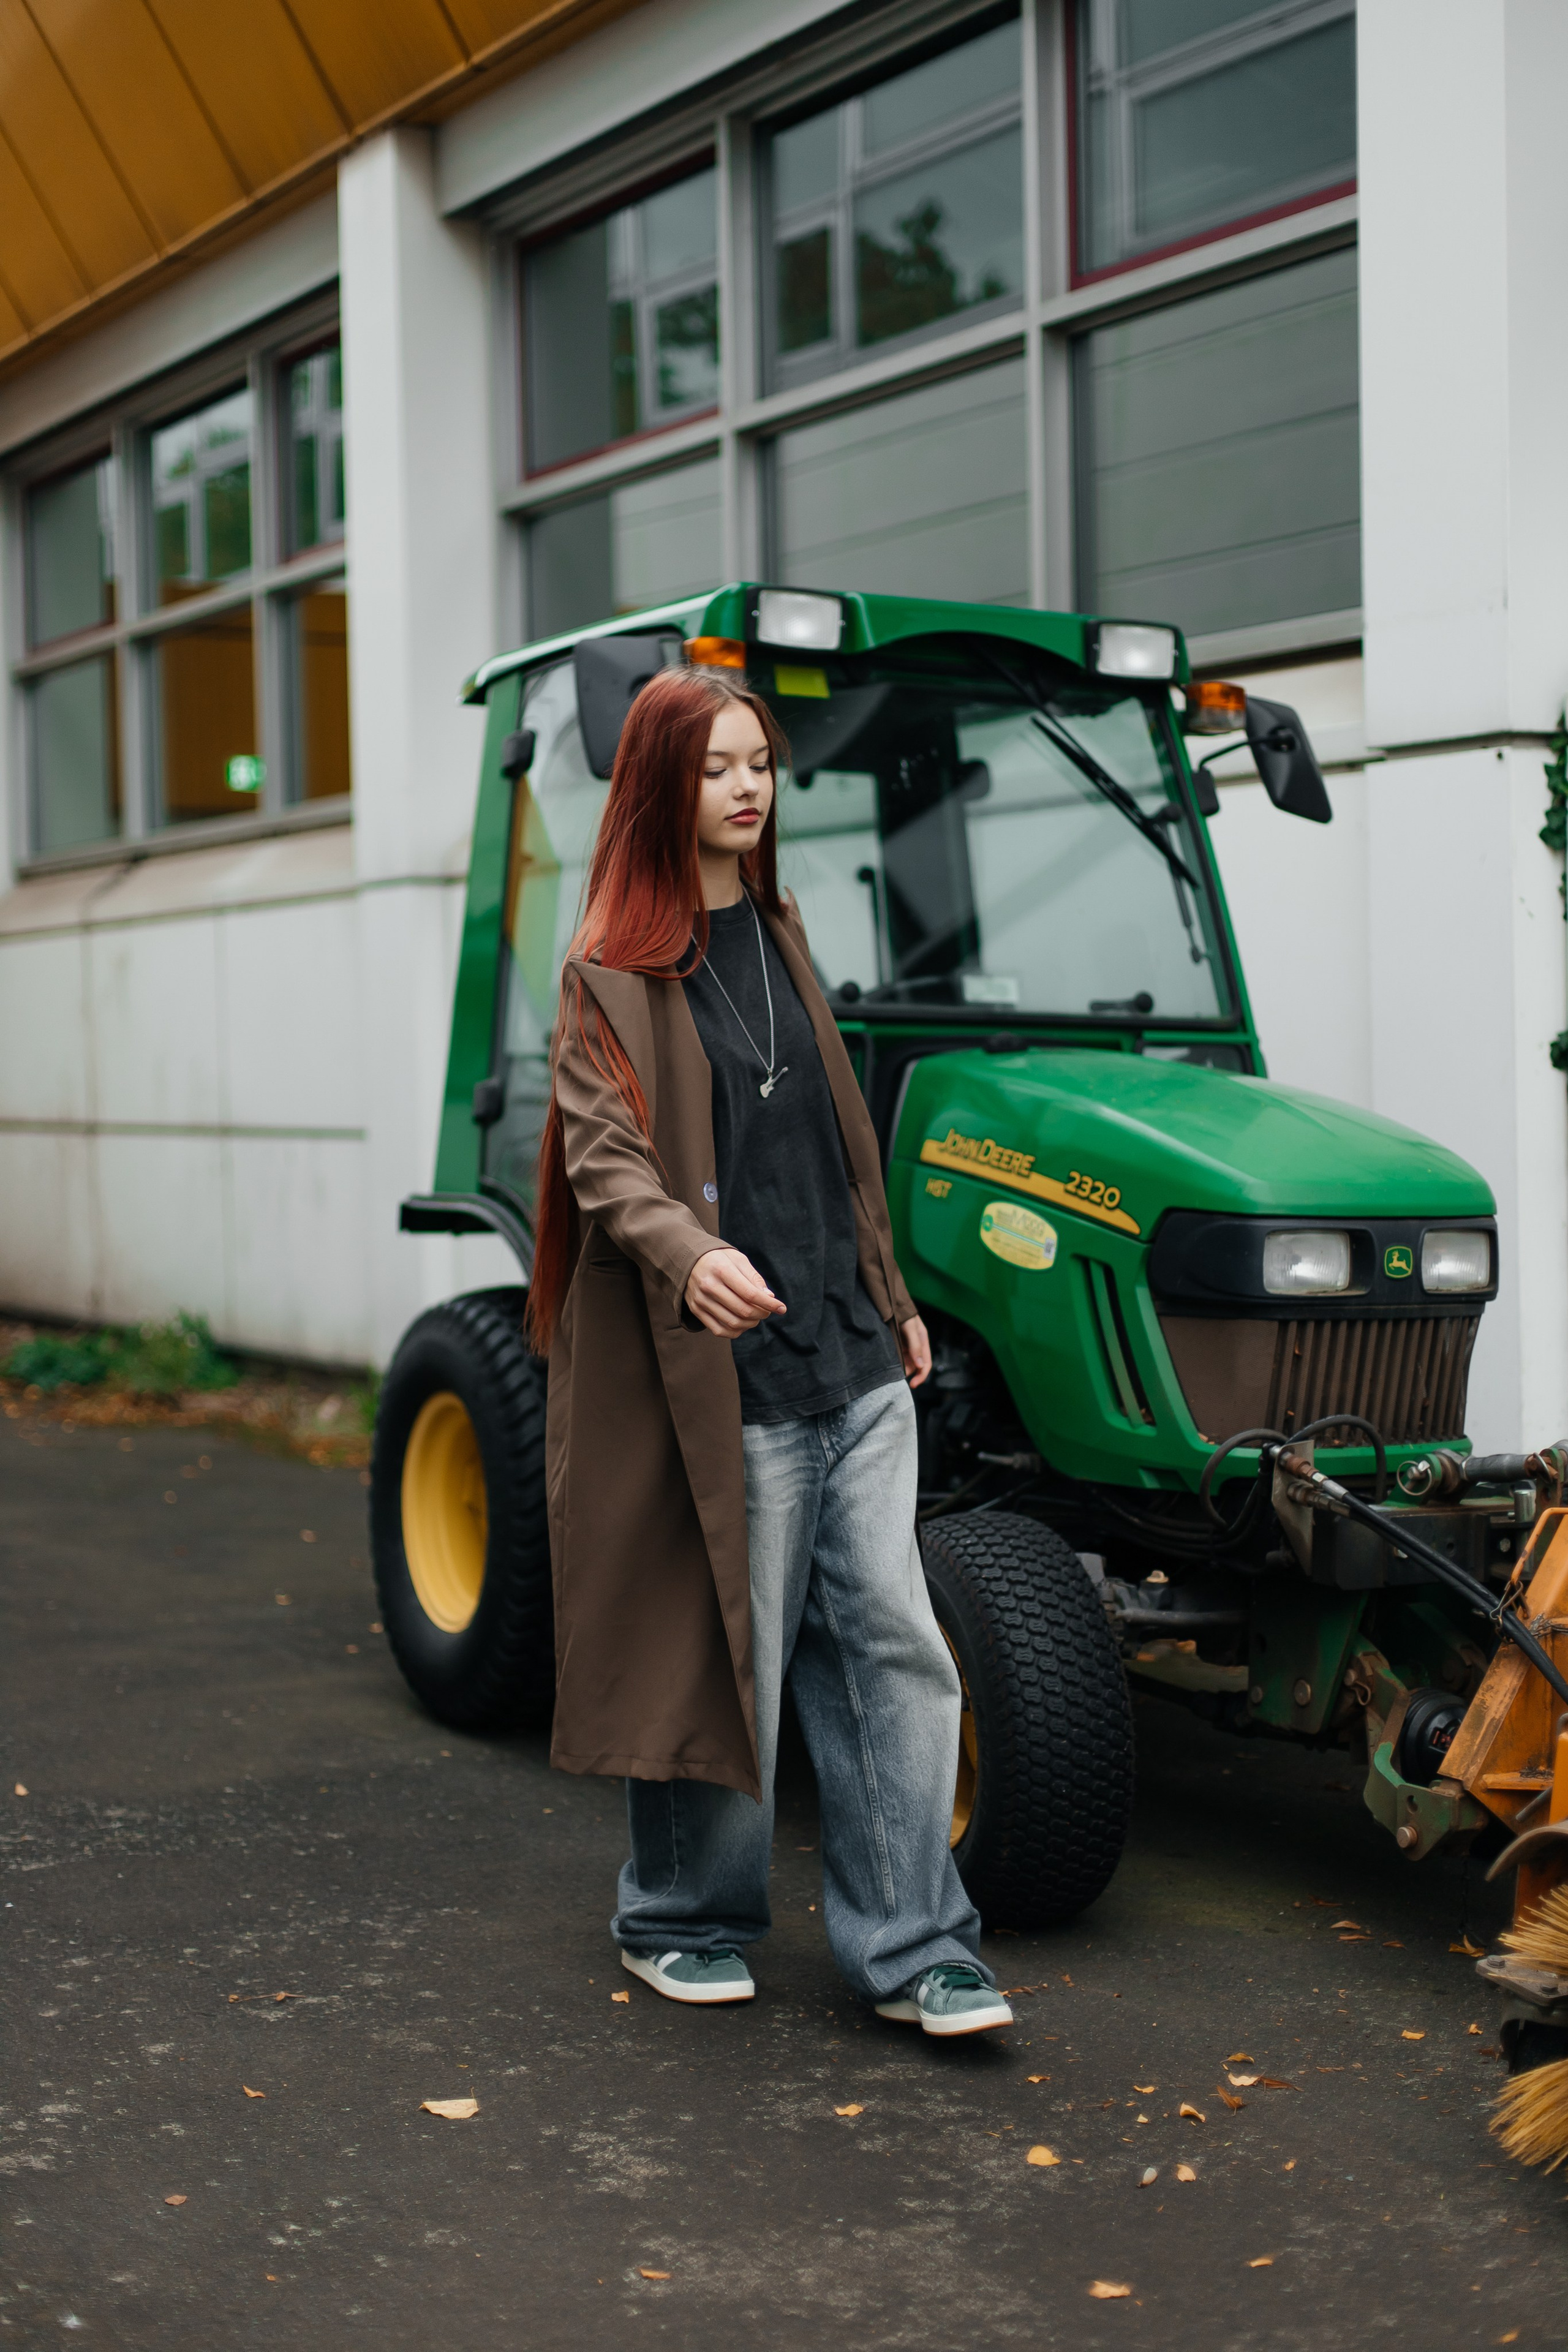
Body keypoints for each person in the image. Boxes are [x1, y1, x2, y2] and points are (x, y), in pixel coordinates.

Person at [526, 662, 1011, 2039]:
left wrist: (891, 1292)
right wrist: (693, 1253)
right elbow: (607, 1170)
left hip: (849, 1364)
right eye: (716, 766)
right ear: (659, 787)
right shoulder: (607, 975)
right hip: (720, 1378)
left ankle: (917, 1947)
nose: (746, 787)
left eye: (760, 764)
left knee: (893, 1651)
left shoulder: (784, 926)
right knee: (723, 1656)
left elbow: (834, 1144)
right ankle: (679, 1915)